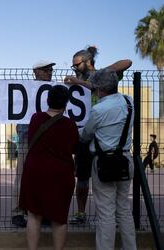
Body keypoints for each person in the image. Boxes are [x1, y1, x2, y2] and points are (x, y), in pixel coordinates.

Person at [64, 46, 132, 224]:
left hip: (105, 136)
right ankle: (81, 213)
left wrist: (100, 73)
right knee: (82, 177)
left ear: (88, 62)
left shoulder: (103, 76)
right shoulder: (76, 81)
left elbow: (127, 62)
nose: (74, 69)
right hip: (86, 134)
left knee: (109, 178)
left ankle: (114, 217)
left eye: (77, 65)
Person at [80, 68, 136, 250]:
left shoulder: (98, 109)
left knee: (106, 213)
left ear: (100, 90)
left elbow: (86, 135)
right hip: (125, 159)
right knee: (124, 209)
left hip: (104, 163)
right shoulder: (129, 103)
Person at [19, 85, 79, 250]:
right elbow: (75, 148)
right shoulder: (70, 125)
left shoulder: (35, 119)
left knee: (34, 215)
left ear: (47, 100)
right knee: (59, 218)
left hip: (35, 172)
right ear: (66, 103)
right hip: (60, 174)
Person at [12, 60, 56, 228]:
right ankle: (17, 212)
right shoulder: (27, 89)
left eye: (50, 70)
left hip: (46, 141)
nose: (49, 73)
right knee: (22, 176)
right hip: (27, 138)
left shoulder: (53, 89)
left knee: (44, 178)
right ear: (36, 71)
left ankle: (41, 212)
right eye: (45, 70)